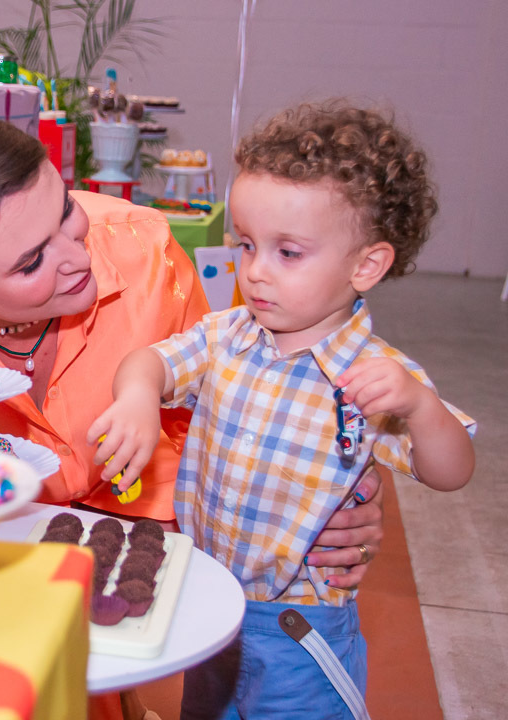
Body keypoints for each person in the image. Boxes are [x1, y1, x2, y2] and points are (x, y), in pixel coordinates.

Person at [0, 113, 387, 718]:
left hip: (142, 520)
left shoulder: (146, 252)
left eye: (65, 210)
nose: (77, 256)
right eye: (32, 262)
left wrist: (319, 492)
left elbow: (221, 410)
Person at [94, 101, 477, 719]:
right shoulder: (225, 337)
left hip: (301, 631)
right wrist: (138, 397)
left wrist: (422, 406)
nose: (256, 272)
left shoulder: (375, 377)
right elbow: (150, 364)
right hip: (208, 602)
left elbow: (451, 470)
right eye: (246, 245)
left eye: (288, 253)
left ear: (367, 265)